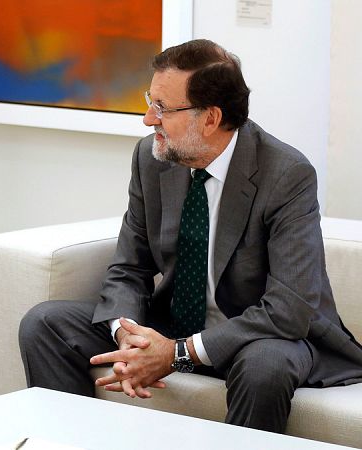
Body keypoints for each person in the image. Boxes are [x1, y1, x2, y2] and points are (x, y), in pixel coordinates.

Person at [18, 39, 362, 433]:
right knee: (46, 323)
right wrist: (129, 338)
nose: (148, 119)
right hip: (175, 322)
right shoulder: (152, 159)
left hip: (255, 335)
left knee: (265, 365)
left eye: (162, 108)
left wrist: (177, 354)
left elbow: (288, 309)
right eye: (151, 100)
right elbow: (129, 267)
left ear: (210, 119)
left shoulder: (286, 174)